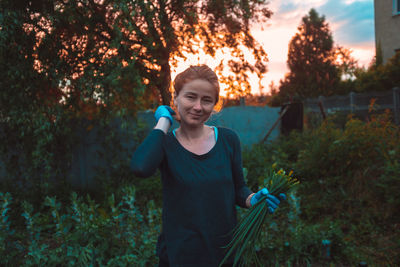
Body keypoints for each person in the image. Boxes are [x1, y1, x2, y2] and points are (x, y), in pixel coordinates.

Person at [130, 65, 284, 267]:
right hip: (179, 257)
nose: (198, 107)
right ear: (176, 97)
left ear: (214, 105)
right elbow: (140, 167)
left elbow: (238, 189)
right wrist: (163, 123)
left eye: (206, 100)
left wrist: (253, 199)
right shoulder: (165, 144)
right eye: (190, 97)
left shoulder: (228, 140)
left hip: (224, 255)